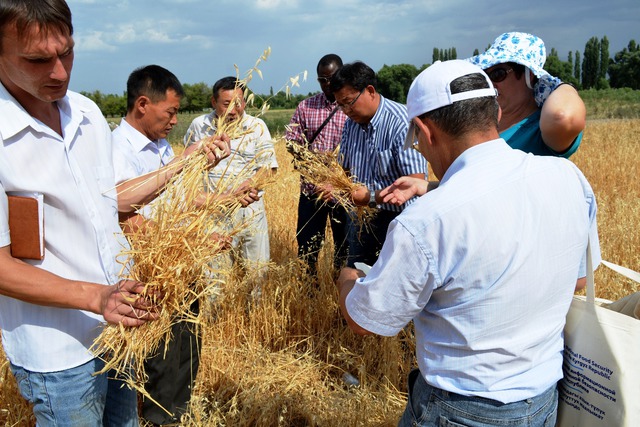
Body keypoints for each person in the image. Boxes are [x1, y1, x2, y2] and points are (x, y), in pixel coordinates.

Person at [336, 60, 600, 426]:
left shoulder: (426, 221)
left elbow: (365, 320)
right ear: (494, 111)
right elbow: (578, 281)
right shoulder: (568, 178)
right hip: (543, 401)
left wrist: (348, 278)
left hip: (459, 409)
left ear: (425, 132)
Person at [0, 1, 158, 425]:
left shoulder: (86, 113)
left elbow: (111, 204)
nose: (60, 73)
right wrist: (95, 296)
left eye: (66, 52)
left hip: (117, 330)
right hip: (58, 352)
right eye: (37, 60)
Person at [112, 64, 229, 426]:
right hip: (149, 275)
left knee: (186, 348)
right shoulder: (118, 150)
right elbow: (125, 215)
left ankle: (180, 413)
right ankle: (160, 420)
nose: (175, 120)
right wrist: (190, 244)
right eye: (171, 111)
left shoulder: (161, 147)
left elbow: (176, 202)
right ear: (143, 103)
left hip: (180, 269)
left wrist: (220, 207)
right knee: (160, 360)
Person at [381, 31, 586, 206]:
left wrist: (551, 85)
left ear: (529, 76)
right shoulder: (491, 124)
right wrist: (425, 186)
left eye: (498, 74)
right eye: (484, 75)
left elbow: (562, 117)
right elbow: (477, 185)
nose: (490, 84)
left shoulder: (541, 130)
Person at [328, 61, 426, 268]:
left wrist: (370, 197)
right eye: (340, 105)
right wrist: (336, 184)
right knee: (358, 278)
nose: (345, 110)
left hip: (398, 221)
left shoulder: (401, 122)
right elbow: (343, 168)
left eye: (348, 102)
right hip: (360, 219)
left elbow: (416, 184)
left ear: (370, 91)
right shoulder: (350, 125)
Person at [184, 76, 278, 282]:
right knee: (215, 277)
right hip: (214, 211)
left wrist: (251, 184)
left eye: (238, 103)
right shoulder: (199, 126)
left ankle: (255, 313)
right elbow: (187, 169)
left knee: (257, 273)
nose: (233, 110)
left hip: (250, 210)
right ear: (213, 102)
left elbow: (268, 168)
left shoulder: (257, 126)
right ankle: (216, 314)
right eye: (226, 104)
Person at [285, 54, 349, 277]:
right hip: (312, 191)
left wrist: (335, 179)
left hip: (344, 193)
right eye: (322, 80)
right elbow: (292, 142)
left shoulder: (350, 107)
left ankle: (340, 291)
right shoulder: (306, 107)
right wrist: (315, 173)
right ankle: (309, 294)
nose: (327, 84)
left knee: (345, 247)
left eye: (331, 78)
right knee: (307, 247)